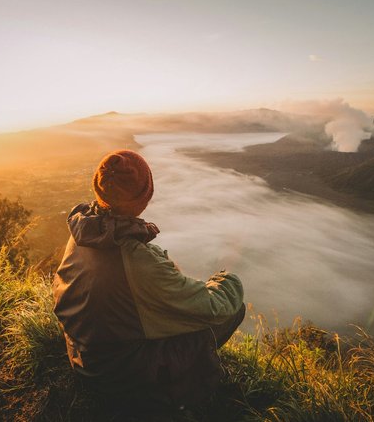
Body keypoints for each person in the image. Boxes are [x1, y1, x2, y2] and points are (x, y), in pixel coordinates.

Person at [53, 149, 245, 410]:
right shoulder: (137, 260)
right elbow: (213, 307)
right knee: (231, 311)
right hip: (119, 377)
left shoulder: (84, 232)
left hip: (84, 359)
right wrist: (227, 277)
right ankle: (182, 390)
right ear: (145, 196)